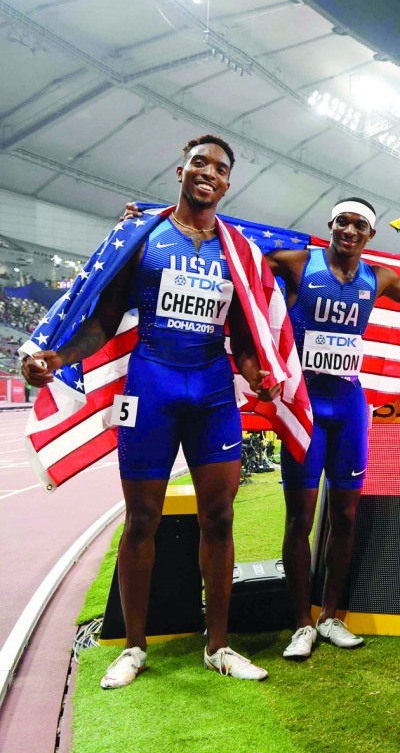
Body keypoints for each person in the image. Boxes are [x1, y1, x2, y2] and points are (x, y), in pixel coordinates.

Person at [123, 196, 400, 659]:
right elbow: (238, 249)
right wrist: (154, 218)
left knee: (347, 517)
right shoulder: (299, 263)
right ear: (330, 226)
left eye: (359, 226)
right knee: (300, 518)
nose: (349, 231)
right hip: (304, 405)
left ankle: (333, 616)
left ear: (370, 236)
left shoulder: (378, 277)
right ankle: (301, 623)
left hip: (348, 403)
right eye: (343, 223)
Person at [23, 135, 282, 687]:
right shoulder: (145, 238)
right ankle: (135, 648)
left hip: (213, 392)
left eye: (219, 167)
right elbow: (102, 321)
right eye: (199, 163)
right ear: (181, 171)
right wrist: (58, 356)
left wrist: (255, 373)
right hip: (150, 387)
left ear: (228, 183)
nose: (208, 172)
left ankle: (218, 646)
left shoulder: (236, 251)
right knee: (142, 519)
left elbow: (241, 335)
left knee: (221, 518)